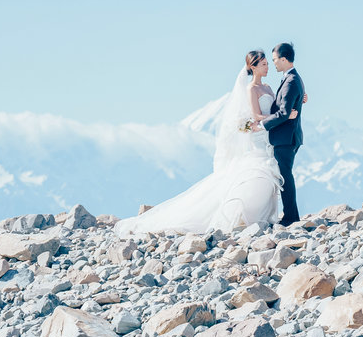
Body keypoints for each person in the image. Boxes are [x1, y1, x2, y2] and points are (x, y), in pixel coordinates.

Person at [115, 50, 293, 236]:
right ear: (253, 67)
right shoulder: (251, 89)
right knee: (258, 173)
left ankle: (260, 217)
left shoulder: (269, 88)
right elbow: (256, 116)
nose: (267, 67)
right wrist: (280, 118)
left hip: (269, 138)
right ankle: (245, 217)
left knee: (268, 174)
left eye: (267, 63)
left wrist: (295, 104)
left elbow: (278, 108)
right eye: (263, 64)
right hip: (259, 137)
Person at [259, 43, 305, 226]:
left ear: (284, 59)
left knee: (285, 177)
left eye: (275, 60)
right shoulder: (292, 78)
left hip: (286, 138)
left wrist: (263, 124)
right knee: (285, 176)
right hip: (287, 136)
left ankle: (291, 217)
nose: (274, 64)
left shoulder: (291, 80)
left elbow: (284, 112)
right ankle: (290, 215)